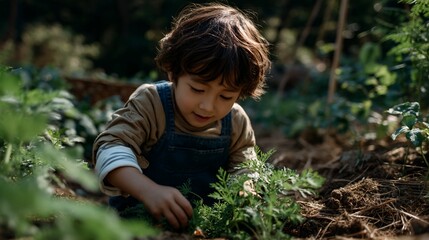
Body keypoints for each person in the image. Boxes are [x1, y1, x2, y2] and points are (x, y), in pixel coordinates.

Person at [92, 2, 271, 230]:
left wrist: (245, 189)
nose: (208, 106)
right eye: (197, 89)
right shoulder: (151, 103)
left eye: (226, 96)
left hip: (201, 228)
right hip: (134, 226)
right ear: (173, 71)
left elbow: (245, 165)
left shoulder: (236, 121)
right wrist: (147, 190)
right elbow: (110, 147)